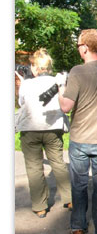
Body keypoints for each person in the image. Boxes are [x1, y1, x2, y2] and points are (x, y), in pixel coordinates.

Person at [58, 29, 97, 234]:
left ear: (84, 47)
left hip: (80, 140)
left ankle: (77, 227)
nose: (78, 49)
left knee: (79, 185)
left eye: (78, 45)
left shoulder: (77, 72)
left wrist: (59, 88)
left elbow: (66, 106)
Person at [16, 49, 71, 218]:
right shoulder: (59, 81)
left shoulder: (27, 84)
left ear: (35, 67)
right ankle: (69, 198)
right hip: (53, 127)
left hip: (30, 128)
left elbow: (21, 103)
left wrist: (23, 81)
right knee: (58, 162)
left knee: (34, 167)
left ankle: (40, 206)